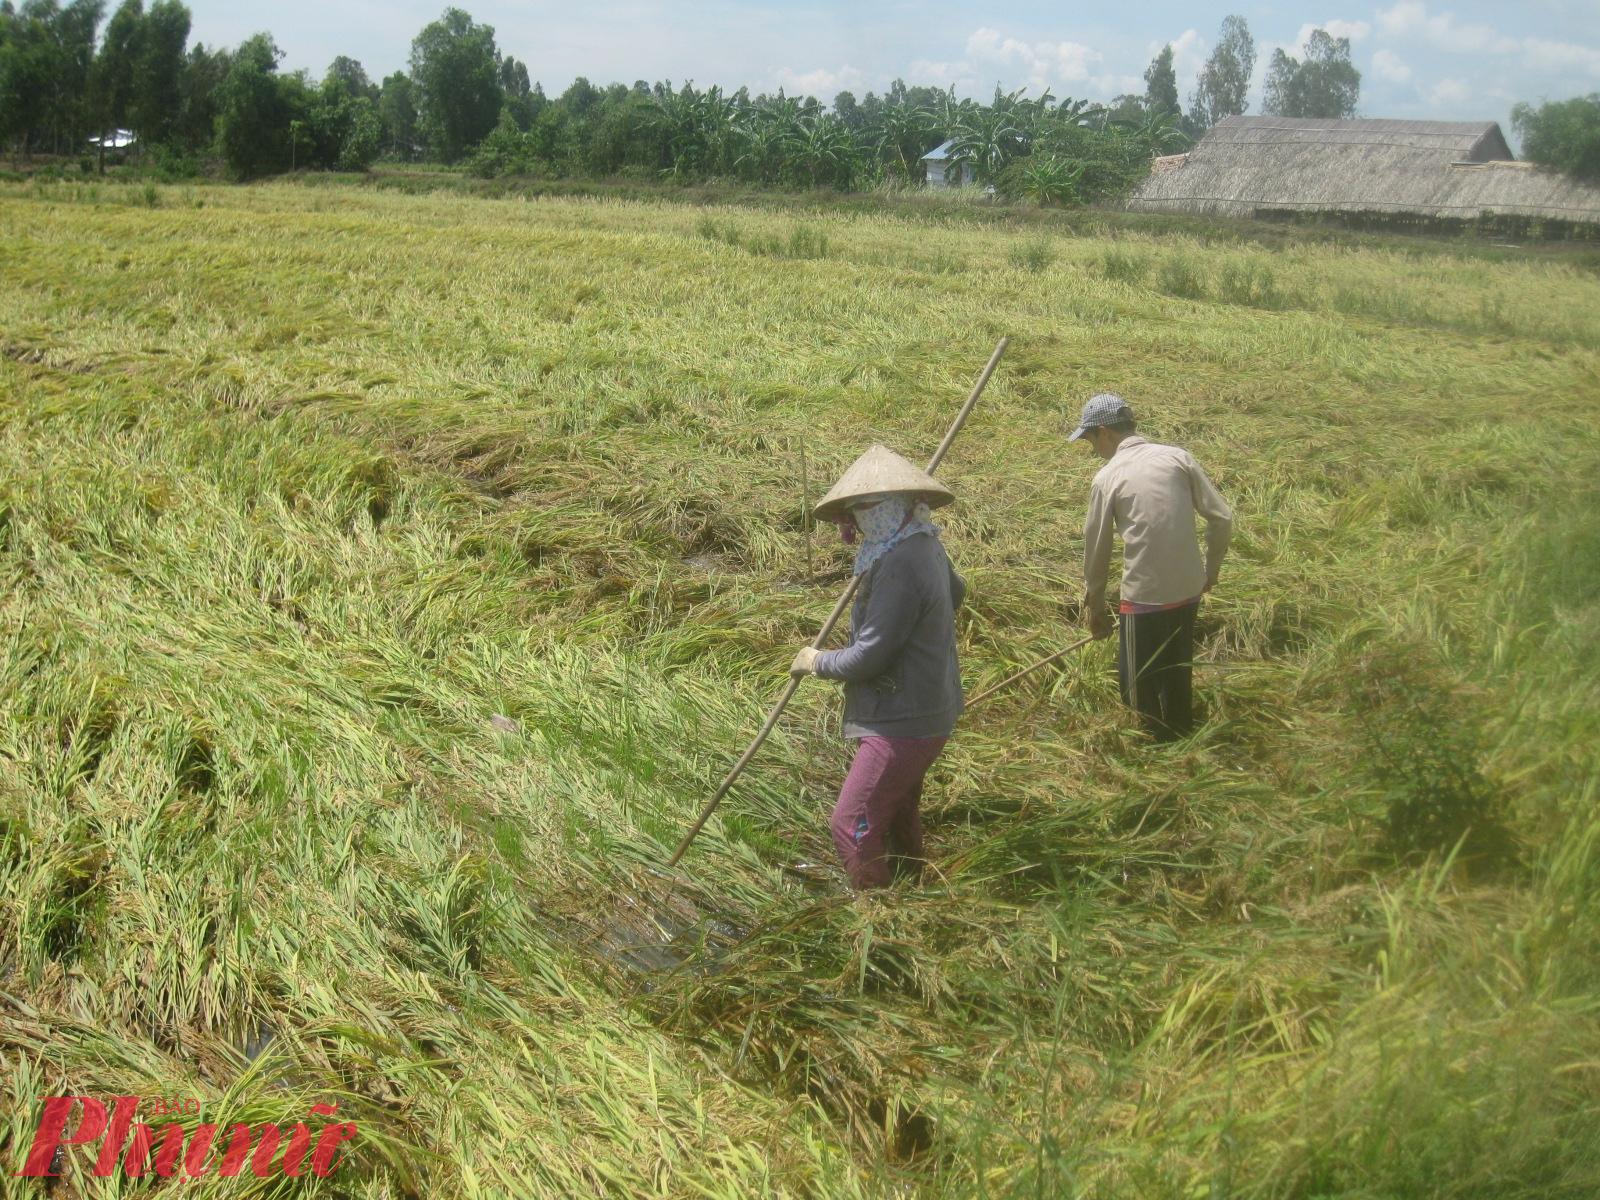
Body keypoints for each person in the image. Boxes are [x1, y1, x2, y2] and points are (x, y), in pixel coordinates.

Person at [788, 444, 966, 889]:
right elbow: (956, 593)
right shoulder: (923, 541)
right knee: (898, 805)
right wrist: (924, 638)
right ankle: (918, 884)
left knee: (851, 825)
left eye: (865, 508)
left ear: (895, 505)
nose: (857, 521)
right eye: (854, 511)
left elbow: (868, 657)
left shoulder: (899, 561)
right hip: (930, 703)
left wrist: (816, 661)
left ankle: (880, 922)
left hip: (902, 720)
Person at [1071, 393, 1232, 743]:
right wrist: (1210, 571)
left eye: (1090, 440)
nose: (1092, 448)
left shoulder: (1108, 477)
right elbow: (1222, 518)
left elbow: (1096, 550)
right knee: (1177, 673)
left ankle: (1149, 751)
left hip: (1145, 598)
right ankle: (1181, 740)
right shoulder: (1177, 458)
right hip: (1189, 589)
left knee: (1137, 688)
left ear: (1105, 433)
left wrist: (1095, 608)